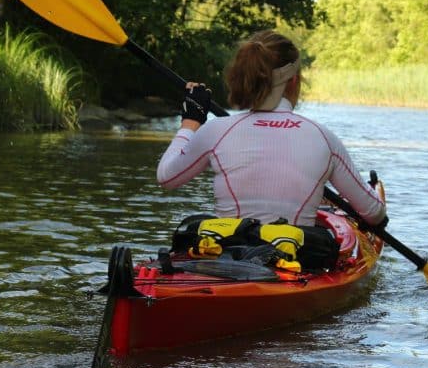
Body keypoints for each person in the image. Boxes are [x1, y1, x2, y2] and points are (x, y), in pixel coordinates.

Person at [156, 30, 387, 264]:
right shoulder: (323, 137)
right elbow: (374, 213)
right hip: (293, 262)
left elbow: (166, 177)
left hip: (224, 255)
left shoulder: (217, 130)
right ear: (294, 80)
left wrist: (190, 122)